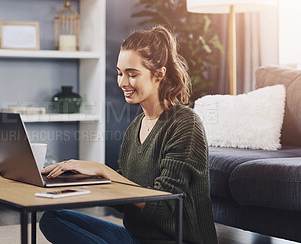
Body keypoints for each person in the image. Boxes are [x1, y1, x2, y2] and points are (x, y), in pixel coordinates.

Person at [39, 25, 218, 244]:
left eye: (132, 74)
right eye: (120, 73)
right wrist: (78, 181)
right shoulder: (136, 126)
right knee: (52, 218)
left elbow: (164, 206)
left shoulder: (185, 124)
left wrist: (103, 170)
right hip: (136, 238)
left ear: (159, 74)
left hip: (176, 240)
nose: (123, 82)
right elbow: (125, 198)